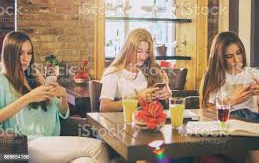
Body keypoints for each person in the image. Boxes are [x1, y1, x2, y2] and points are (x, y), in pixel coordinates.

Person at [0, 31, 109, 163]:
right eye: (20, 53)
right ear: (9, 54)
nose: (26, 59)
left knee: (86, 161)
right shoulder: (2, 80)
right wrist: (28, 97)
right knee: (98, 147)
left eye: (29, 53)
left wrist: (63, 95)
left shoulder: (34, 75)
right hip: (26, 146)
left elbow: (62, 112)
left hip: (50, 142)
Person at [200, 31, 259, 163]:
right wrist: (231, 101)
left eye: (238, 53)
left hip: (253, 124)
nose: (236, 60)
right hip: (227, 127)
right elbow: (206, 114)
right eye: (229, 56)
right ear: (220, 57)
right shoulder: (214, 76)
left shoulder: (253, 73)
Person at [100, 28, 172, 112]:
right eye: (139, 51)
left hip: (150, 121)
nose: (144, 56)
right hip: (123, 122)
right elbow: (104, 107)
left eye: (147, 52)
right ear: (128, 49)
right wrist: (138, 99)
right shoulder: (113, 72)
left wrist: (167, 93)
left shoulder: (152, 69)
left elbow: (165, 100)